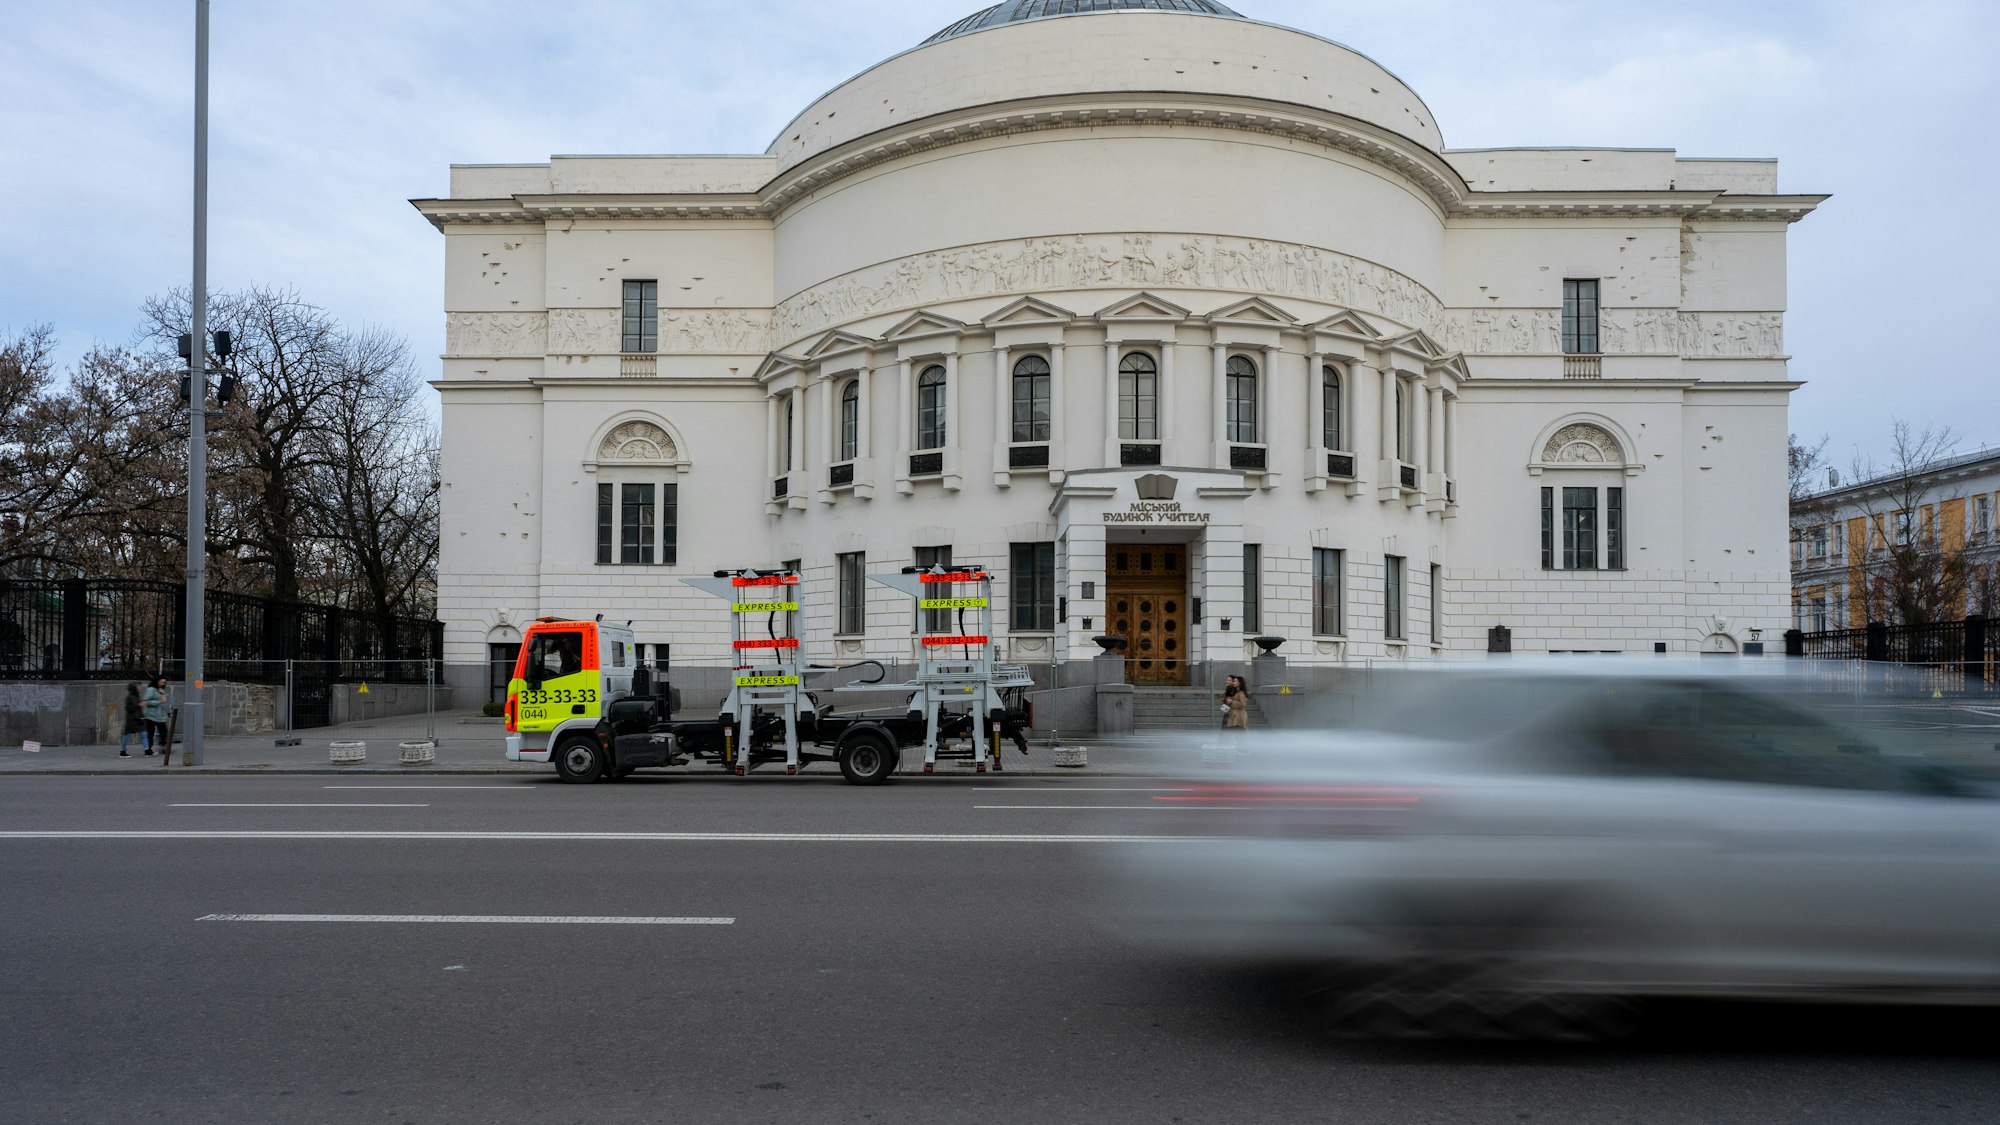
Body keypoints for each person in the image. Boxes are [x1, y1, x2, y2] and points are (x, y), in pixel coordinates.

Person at [141, 676, 171, 757]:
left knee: (164, 731)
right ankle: (148, 749)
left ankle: (163, 746)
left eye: (164, 682)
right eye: (161, 682)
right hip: (150, 715)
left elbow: (164, 701)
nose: (163, 684)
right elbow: (146, 701)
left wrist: (162, 693)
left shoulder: (161, 690)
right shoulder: (151, 690)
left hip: (159, 715)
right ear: (157, 681)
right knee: (150, 733)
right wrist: (158, 702)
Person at [118, 682, 145, 757]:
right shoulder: (130, 697)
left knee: (143, 733)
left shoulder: (136, 696)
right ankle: (122, 752)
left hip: (137, 718)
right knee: (126, 735)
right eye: (138, 686)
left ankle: (147, 750)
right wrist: (139, 705)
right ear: (134, 687)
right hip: (131, 719)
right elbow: (128, 708)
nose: (140, 687)